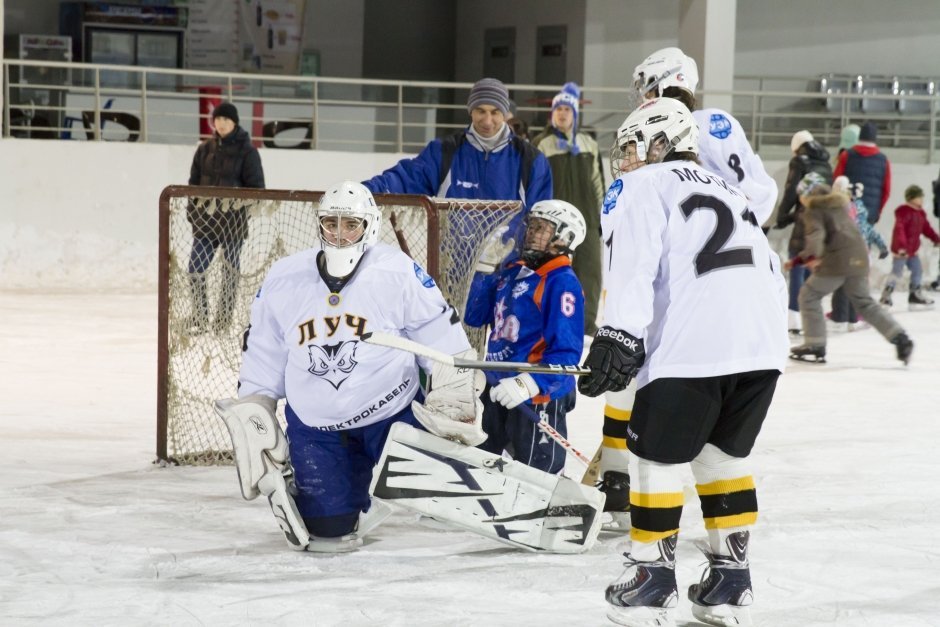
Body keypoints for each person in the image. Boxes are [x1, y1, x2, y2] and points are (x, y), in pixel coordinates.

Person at [578, 97, 788, 627]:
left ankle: (650, 577)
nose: (624, 160)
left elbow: (633, 262)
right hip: (763, 346)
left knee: (658, 458)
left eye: (630, 147)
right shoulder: (731, 190)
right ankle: (729, 581)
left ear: (660, 142)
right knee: (723, 459)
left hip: (695, 344)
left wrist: (618, 335)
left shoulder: (645, 185)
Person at [218, 181, 486, 552]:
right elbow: (265, 350)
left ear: (369, 226)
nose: (340, 234)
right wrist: (256, 406)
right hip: (317, 429)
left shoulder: (396, 271)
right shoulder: (284, 278)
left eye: (350, 225)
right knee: (329, 532)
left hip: (391, 416)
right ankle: (333, 495)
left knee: (438, 495)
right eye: (331, 223)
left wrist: (453, 387)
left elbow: (437, 331)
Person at [464, 199, 586, 474]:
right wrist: (484, 270)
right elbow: (475, 316)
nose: (530, 232)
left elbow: (567, 353)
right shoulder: (513, 271)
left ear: (564, 237)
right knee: (481, 466)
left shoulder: (561, 281)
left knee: (536, 473)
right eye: (531, 226)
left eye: (541, 227)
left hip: (537, 394)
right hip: (496, 386)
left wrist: (530, 383)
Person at [362, 77, 552, 224]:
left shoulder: (531, 160)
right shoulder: (444, 152)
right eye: (480, 111)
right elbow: (404, 179)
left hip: (509, 269)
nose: (487, 121)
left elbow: (541, 219)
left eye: (494, 112)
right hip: (452, 266)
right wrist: (363, 191)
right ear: (470, 111)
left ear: (505, 113)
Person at [631, 47, 779, 227]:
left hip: (720, 241)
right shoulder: (655, 137)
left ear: (666, 84)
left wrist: (731, 233)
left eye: (647, 89)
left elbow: (757, 191)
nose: (643, 98)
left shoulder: (709, 123)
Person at [787, 173, 913, 365]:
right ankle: (900, 338)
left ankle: (815, 344)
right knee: (864, 302)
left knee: (809, 295)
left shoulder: (814, 209)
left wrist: (800, 260)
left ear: (807, 194)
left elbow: (815, 240)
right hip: (860, 257)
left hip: (838, 260)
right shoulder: (839, 205)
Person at [531, 82, 606, 335]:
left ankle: (586, 324)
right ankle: (551, 322)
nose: (562, 113)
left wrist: (602, 219)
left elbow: (598, 184)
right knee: (554, 270)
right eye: (558, 109)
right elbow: (536, 185)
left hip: (587, 221)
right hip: (554, 224)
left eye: (567, 109)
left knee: (590, 272)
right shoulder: (542, 144)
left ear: (575, 114)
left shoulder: (589, 144)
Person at [187, 101, 265, 334]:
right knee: (195, 269)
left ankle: (222, 322)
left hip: (233, 224)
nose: (221, 124)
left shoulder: (248, 152)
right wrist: (194, 214)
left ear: (235, 122)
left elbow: (257, 188)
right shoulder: (204, 149)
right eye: (218, 119)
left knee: (229, 274)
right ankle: (200, 319)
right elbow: (193, 184)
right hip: (206, 224)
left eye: (226, 120)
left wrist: (238, 210)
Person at [774, 130, 833, 335]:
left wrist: (782, 216)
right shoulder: (826, 164)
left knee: (797, 264)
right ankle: (810, 318)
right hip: (823, 219)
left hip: (803, 218)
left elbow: (791, 190)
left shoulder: (799, 161)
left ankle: (794, 318)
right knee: (812, 266)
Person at [828, 176, 889, 330]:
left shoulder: (843, 208)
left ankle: (843, 316)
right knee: (854, 287)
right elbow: (869, 231)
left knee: (846, 286)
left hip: (849, 253)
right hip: (859, 254)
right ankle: (850, 317)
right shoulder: (857, 209)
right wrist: (882, 246)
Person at [880, 184, 940, 308]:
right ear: (911, 198)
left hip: (913, 251)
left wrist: (936, 239)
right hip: (901, 250)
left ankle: (915, 295)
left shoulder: (920, 213)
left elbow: (926, 228)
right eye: (919, 197)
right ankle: (886, 295)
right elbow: (899, 229)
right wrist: (901, 247)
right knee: (897, 272)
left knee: (918, 270)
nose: (922, 199)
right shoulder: (903, 211)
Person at [833, 121, 891, 224]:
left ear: (859, 137)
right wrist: (877, 211)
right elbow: (886, 191)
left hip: (847, 211)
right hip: (870, 214)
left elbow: (836, 183)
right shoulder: (884, 160)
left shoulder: (846, 155)